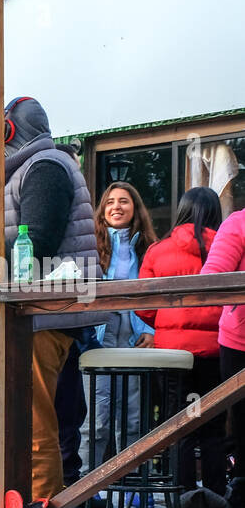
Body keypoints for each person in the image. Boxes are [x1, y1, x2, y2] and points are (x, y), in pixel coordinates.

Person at [0, 96, 105, 503]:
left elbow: (36, 239)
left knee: (33, 418)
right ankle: (33, 502)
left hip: (45, 313)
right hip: (41, 311)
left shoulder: (44, 167)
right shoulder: (41, 165)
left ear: (10, 131)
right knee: (31, 414)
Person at [138, 187, 225, 501]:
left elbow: (142, 305)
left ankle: (182, 500)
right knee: (214, 425)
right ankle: (216, 501)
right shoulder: (228, 247)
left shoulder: (158, 250)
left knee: (179, 424)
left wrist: (166, 326)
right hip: (217, 349)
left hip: (172, 352)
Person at [83, 180, 159, 471]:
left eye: (124, 201)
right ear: (102, 210)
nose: (117, 206)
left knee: (133, 419)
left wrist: (151, 332)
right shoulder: (90, 246)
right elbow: (81, 291)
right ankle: (88, 487)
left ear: (135, 208)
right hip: (98, 340)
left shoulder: (149, 247)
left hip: (135, 341)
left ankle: (134, 486)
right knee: (96, 419)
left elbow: (157, 295)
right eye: (111, 201)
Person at [199, 199, 245, 508]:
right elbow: (211, 278)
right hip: (240, 339)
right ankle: (241, 493)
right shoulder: (238, 223)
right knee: (242, 422)